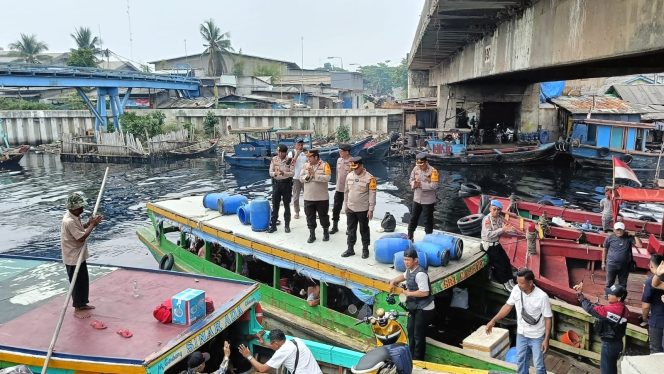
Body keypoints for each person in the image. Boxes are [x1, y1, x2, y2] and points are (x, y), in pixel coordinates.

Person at [486, 269, 552, 374]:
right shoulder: (516, 290)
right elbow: (507, 306)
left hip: (537, 336)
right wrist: (493, 320)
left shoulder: (542, 297)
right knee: (521, 361)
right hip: (521, 334)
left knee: (539, 365)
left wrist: (546, 339)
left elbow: (548, 318)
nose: (518, 285)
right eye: (517, 282)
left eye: (521, 283)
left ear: (530, 283)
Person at [60, 192, 102, 319]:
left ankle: (83, 303)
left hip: (79, 254)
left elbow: (80, 229)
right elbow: (81, 237)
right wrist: (92, 225)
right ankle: (78, 307)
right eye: (80, 208)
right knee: (76, 283)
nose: (82, 210)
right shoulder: (69, 221)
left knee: (83, 280)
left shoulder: (74, 217)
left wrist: (88, 223)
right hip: (73, 256)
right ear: (72, 208)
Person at [388, 249, 434, 360]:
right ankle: (411, 357)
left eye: (408, 260)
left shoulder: (420, 274)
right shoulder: (409, 270)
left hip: (424, 308)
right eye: (404, 259)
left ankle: (418, 361)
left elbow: (425, 292)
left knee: (418, 336)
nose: (406, 262)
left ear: (416, 260)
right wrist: (394, 280)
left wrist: (408, 293)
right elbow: (404, 276)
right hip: (414, 307)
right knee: (410, 332)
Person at [577, 284, 628, 374]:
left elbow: (589, 309)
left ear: (619, 298)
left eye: (611, 294)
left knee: (606, 370)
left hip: (609, 345)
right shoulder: (624, 309)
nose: (608, 295)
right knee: (612, 368)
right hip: (618, 343)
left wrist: (580, 296)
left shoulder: (610, 310)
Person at [239, 329, 323, 374]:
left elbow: (262, 369)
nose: (271, 344)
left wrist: (248, 356)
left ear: (276, 343)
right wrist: (265, 344)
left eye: (271, 343)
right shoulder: (296, 341)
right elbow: (278, 347)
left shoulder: (281, 352)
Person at [341, 156, 377, 259]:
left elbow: (372, 195)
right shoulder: (349, 176)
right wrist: (346, 205)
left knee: (364, 229)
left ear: (361, 166)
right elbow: (346, 192)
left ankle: (365, 249)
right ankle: (350, 249)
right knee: (351, 229)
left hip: (363, 209)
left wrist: (371, 209)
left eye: (356, 167)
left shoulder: (370, 178)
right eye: (353, 168)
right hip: (351, 208)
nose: (355, 170)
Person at [481, 200, 516, 288]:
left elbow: (503, 230)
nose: (496, 211)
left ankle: (510, 279)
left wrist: (509, 230)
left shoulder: (499, 218)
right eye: (494, 209)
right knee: (499, 264)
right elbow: (489, 234)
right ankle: (505, 283)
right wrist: (502, 230)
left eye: (498, 210)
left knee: (506, 261)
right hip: (489, 245)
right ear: (490, 209)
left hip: (496, 244)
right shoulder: (487, 220)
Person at [299, 149, 331, 243]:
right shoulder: (305, 165)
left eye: (310, 157)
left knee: (323, 216)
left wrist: (315, 175)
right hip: (308, 197)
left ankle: (326, 232)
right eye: (308, 157)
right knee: (310, 216)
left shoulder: (325, 165)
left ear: (316, 157)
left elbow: (328, 178)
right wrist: (308, 176)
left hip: (322, 198)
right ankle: (312, 234)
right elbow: (300, 178)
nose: (308, 158)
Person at [602, 221, 642, 297]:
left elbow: (639, 245)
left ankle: (621, 297)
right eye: (617, 229)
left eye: (621, 230)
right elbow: (605, 249)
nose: (619, 231)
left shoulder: (629, 237)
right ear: (614, 230)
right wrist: (603, 263)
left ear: (624, 230)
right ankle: (607, 295)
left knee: (623, 283)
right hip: (611, 264)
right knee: (609, 282)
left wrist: (635, 235)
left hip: (625, 265)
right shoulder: (610, 237)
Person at [407, 152, 439, 241]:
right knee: (413, 218)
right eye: (418, 164)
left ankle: (428, 239)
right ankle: (410, 236)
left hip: (428, 201)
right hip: (417, 198)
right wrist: (414, 184)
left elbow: (434, 185)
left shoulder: (433, 171)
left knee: (427, 221)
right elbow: (411, 179)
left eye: (421, 164)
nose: (420, 166)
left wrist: (421, 184)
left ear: (426, 162)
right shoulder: (415, 168)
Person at [268, 144, 295, 233]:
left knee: (287, 205)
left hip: (286, 184)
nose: (279, 154)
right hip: (276, 184)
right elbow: (270, 172)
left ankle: (287, 225)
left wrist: (284, 173)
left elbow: (292, 173)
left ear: (285, 152)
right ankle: (273, 225)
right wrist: (274, 174)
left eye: (281, 152)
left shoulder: (290, 160)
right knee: (275, 205)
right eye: (278, 152)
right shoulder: (274, 159)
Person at [642, 254, 664, 353]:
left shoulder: (649, 281)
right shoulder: (653, 281)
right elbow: (656, 284)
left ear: (651, 265)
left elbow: (646, 306)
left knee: (655, 351)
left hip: (657, 321)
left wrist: (644, 318)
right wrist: (658, 274)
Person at [330, 143, 352, 235]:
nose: (339, 153)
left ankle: (349, 228)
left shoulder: (352, 161)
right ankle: (335, 226)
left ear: (347, 152)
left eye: (341, 151)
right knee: (336, 208)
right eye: (339, 151)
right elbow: (337, 174)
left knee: (349, 210)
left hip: (348, 190)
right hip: (339, 189)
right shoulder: (339, 160)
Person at [288, 138, 308, 220]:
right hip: (296, 178)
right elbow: (289, 164)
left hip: (305, 177)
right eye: (299, 144)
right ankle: (297, 212)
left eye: (302, 144)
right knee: (296, 197)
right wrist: (297, 154)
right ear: (295, 145)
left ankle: (309, 212)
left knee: (308, 196)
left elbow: (309, 162)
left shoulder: (305, 152)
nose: (300, 146)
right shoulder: (291, 153)